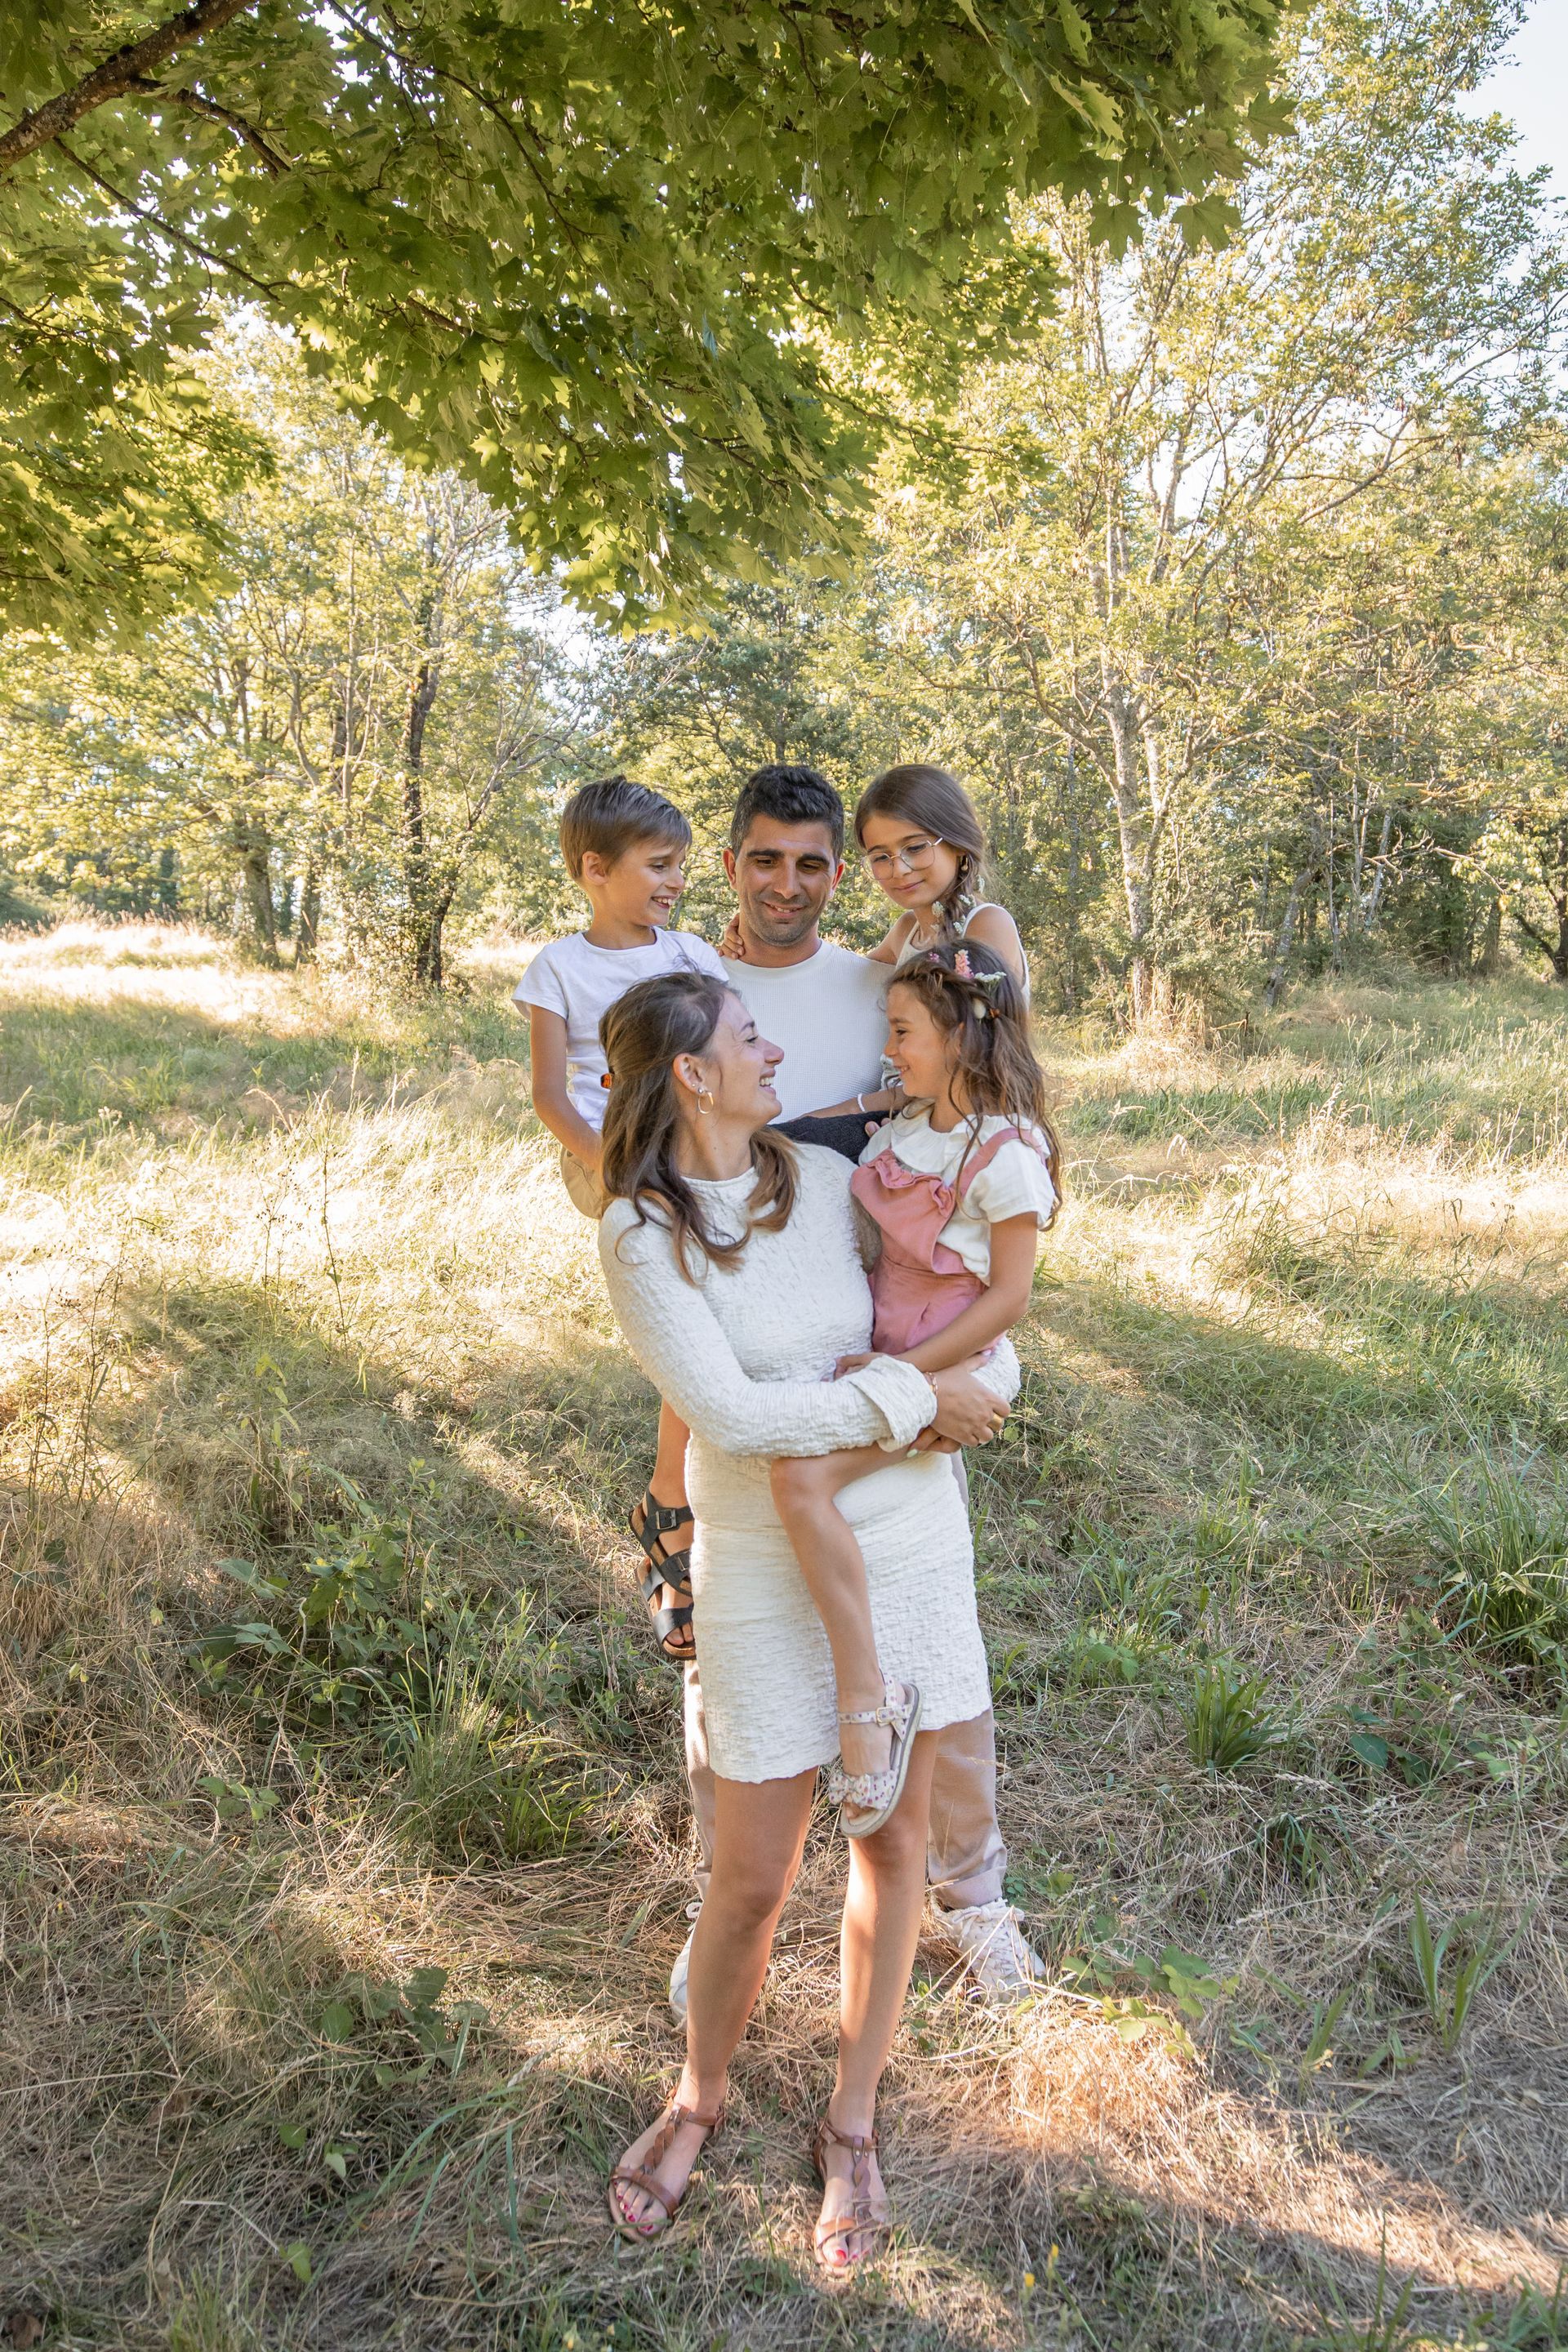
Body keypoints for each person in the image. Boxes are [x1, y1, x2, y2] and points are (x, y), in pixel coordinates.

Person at [595, 969, 1012, 2267]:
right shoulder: (641, 1234)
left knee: (888, 1854)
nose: (773, 1048)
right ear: (691, 1077)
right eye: (744, 1038)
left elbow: (986, 1320)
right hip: (768, 1568)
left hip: (911, 1544)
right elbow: (735, 1419)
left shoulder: (835, 1177)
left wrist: (957, 1388)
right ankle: (699, 2093)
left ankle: (852, 2124)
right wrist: (903, 1405)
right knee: (752, 1877)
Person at [670, 762, 1045, 2009]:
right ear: (732, 865)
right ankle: (729, 1910)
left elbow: (982, 1135)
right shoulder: (686, 991)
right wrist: (669, 1469)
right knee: (732, 1655)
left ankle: (973, 1894)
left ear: (842, 874)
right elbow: (650, 1202)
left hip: (891, 1343)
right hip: (751, 1362)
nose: (791, 883)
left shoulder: (884, 983)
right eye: (765, 860)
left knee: (936, 1652)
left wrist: (930, 1376)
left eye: (817, 862)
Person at [770, 941, 1061, 1836]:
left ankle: (871, 1703)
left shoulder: (1006, 1155)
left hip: (940, 1361)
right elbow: (811, 1134)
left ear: (963, 1037)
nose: (890, 1048)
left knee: (806, 1482)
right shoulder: (906, 1130)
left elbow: (1009, 1296)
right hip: (887, 1352)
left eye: (903, 1032)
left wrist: (913, 1377)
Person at [513, 775, 724, 1664]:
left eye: (681, 866)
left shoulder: (696, 953)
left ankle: (675, 1497)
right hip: (612, 1165)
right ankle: (672, 1516)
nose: (676, 882)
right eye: (659, 866)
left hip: (702, 1156)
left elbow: (724, 1055)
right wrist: (622, 1168)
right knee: (689, 1316)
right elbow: (550, 1096)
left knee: (711, 1321)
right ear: (595, 870)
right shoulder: (559, 968)